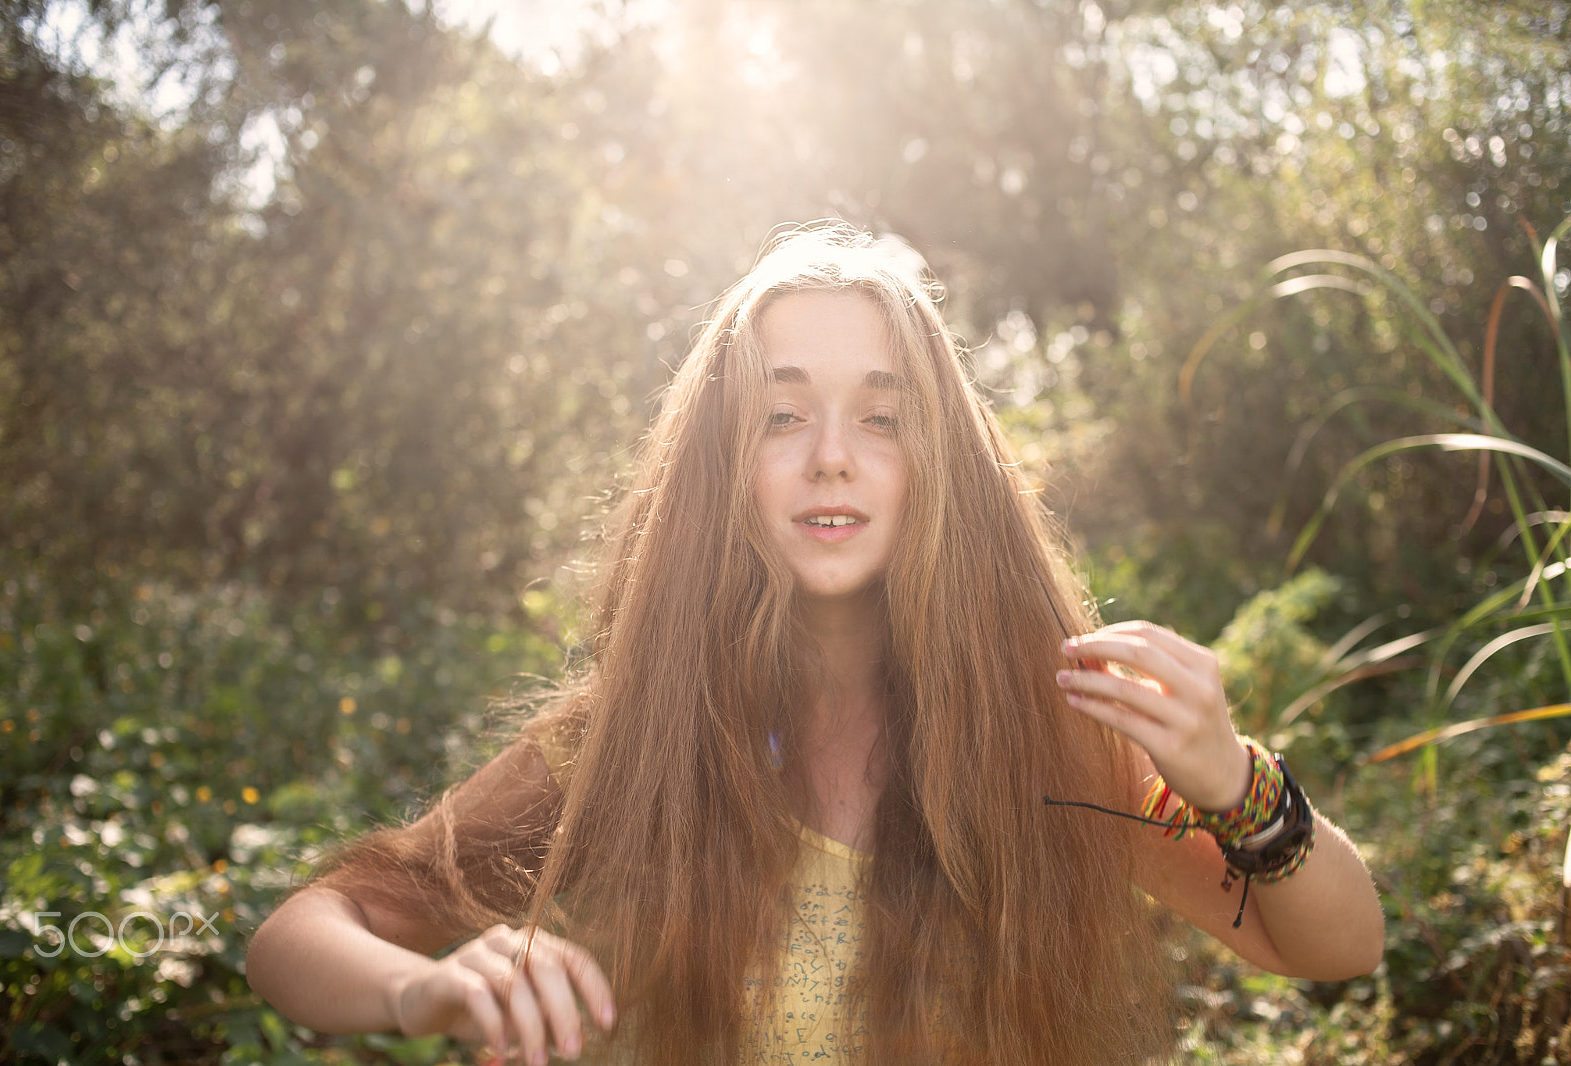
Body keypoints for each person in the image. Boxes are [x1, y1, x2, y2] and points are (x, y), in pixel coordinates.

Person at [245, 224, 1384, 1065]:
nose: (830, 455)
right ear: (720, 467)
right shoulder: (621, 751)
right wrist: (425, 991)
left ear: (939, 466)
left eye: (882, 418)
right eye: (780, 415)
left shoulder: (1050, 740)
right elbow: (301, 931)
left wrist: (1238, 784)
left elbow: (1331, 945)